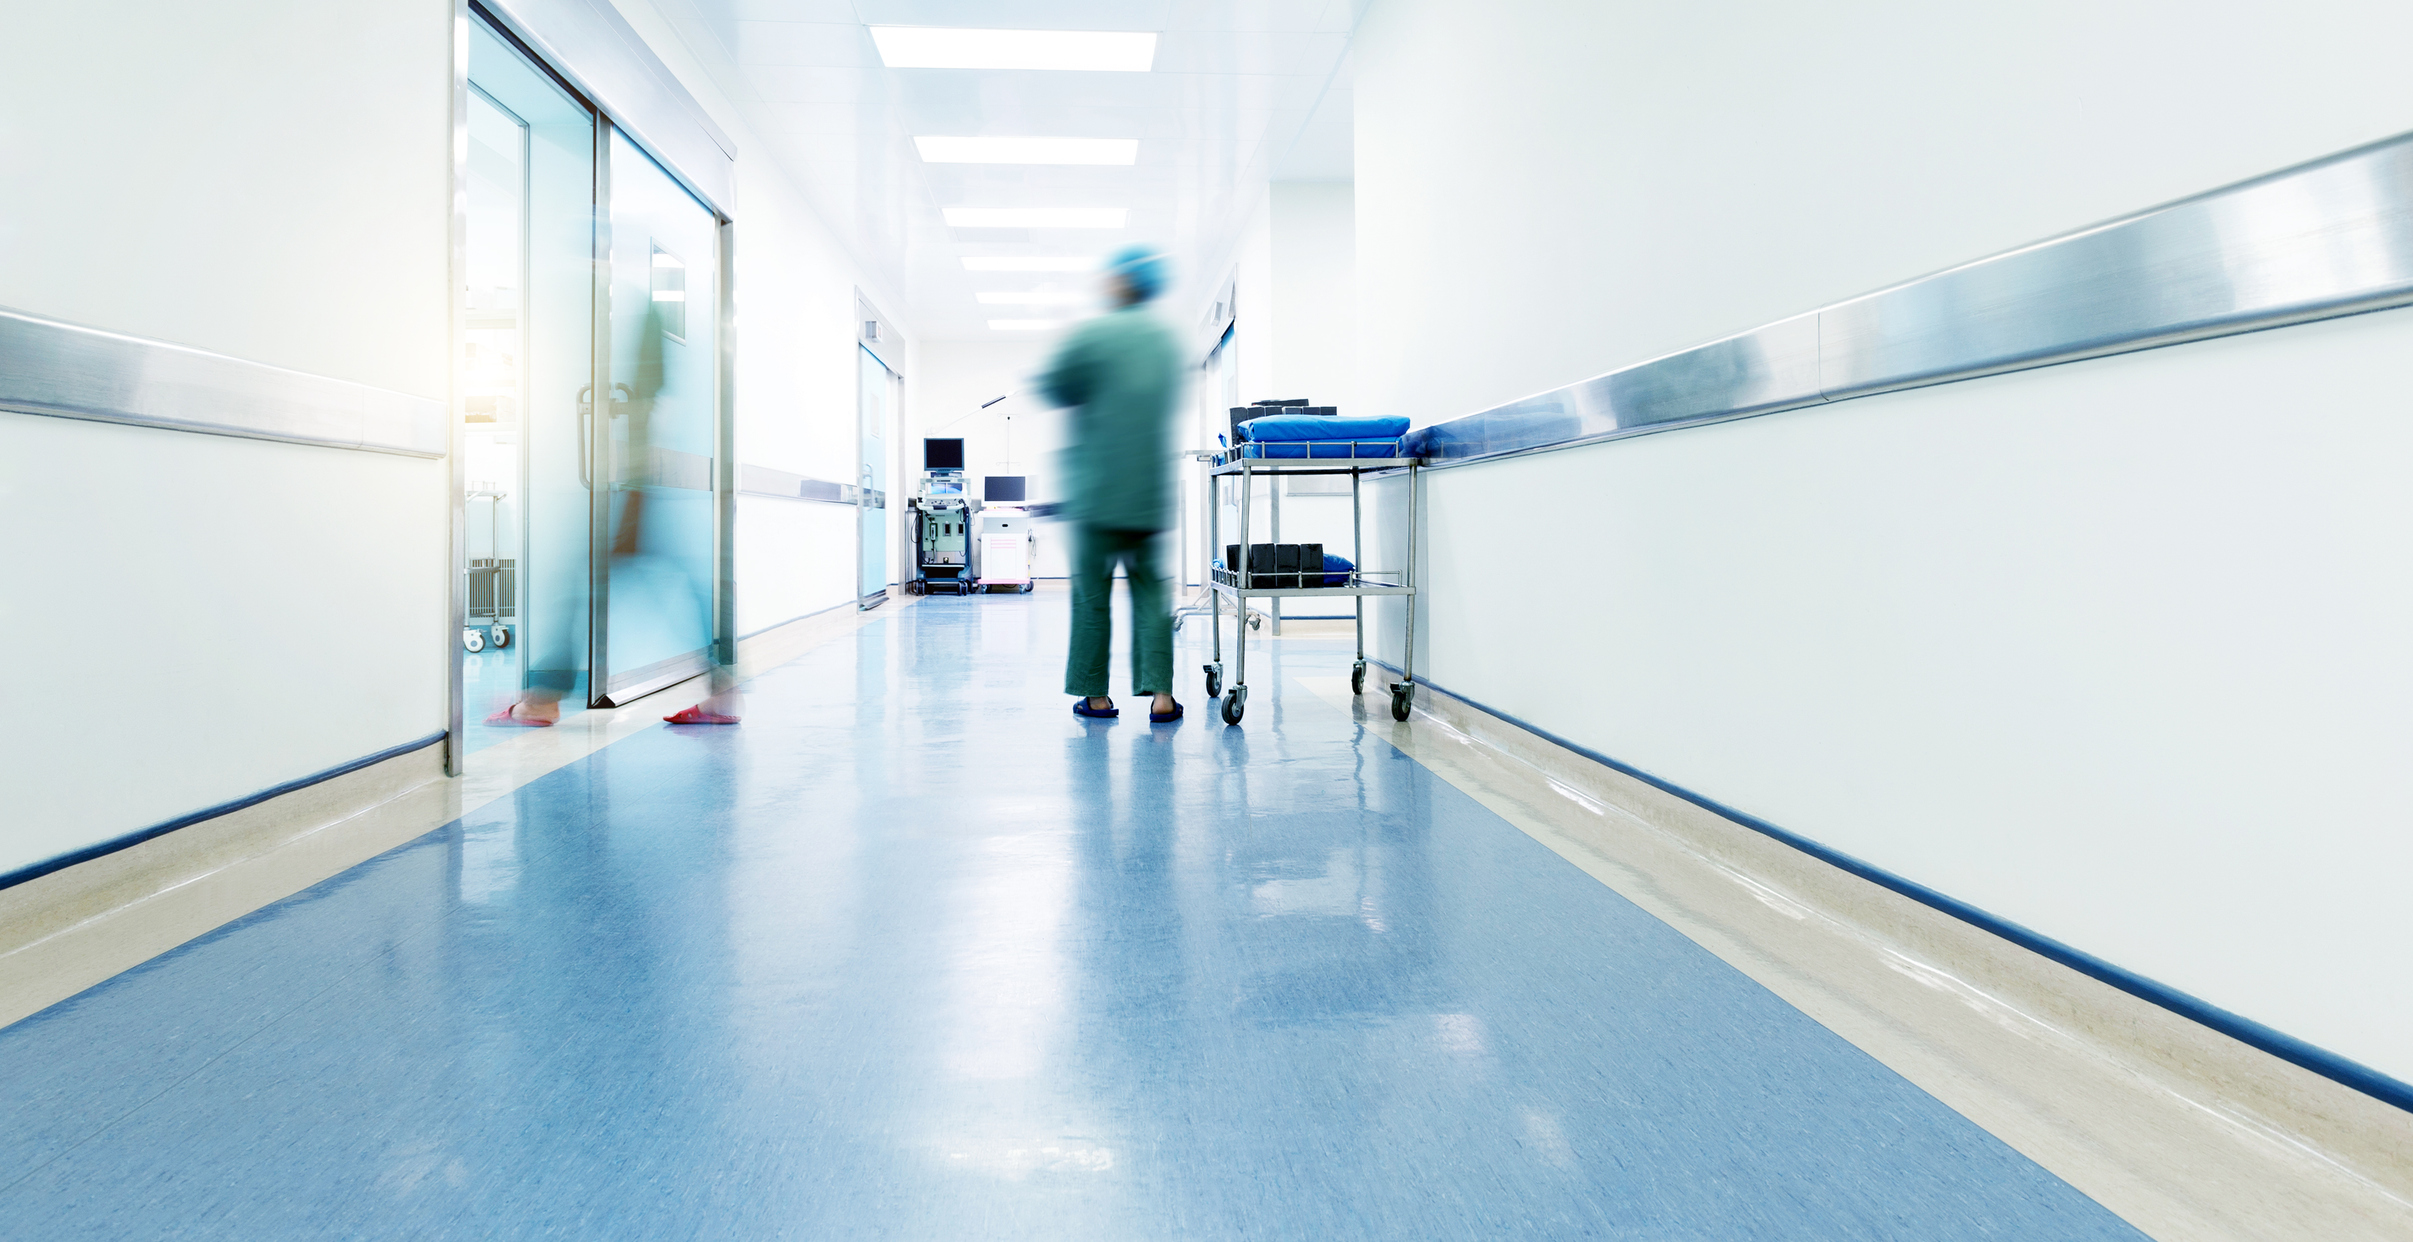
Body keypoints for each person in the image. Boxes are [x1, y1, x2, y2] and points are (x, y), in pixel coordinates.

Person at [1041, 245, 1184, 723]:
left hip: (1096, 495)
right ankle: (1162, 697)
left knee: (1091, 598)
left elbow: (1053, 387)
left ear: (1123, 282)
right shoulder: (1165, 344)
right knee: (1150, 595)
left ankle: (1095, 697)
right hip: (1147, 496)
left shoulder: (1095, 334)